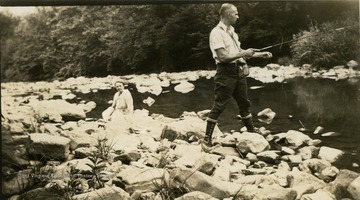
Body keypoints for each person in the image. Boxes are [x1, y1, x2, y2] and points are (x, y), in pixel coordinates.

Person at [202, 3, 272, 151]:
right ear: (228, 15)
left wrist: (260, 54)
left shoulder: (232, 32)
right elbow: (222, 57)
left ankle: (251, 130)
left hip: (238, 72)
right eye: (236, 14)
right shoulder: (216, 33)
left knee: (244, 102)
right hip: (225, 72)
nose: (238, 16)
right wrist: (244, 53)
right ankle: (206, 139)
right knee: (220, 105)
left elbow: (239, 51)